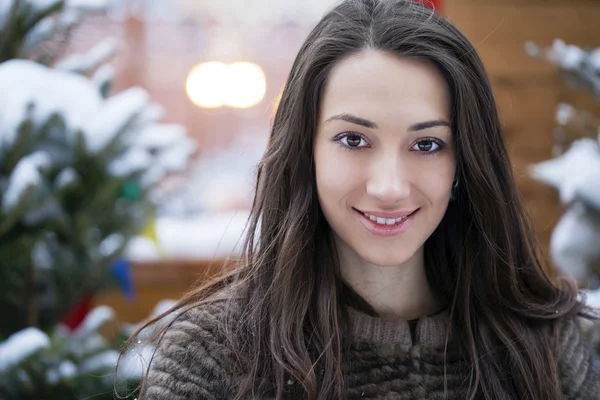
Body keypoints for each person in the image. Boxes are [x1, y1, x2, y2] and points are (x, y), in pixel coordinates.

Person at [120, 0, 600, 398]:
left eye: (427, 144)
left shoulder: (554, 349)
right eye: (353, 140)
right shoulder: (212, 359)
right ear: (304, 148)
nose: (388, 187)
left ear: (466, 162)